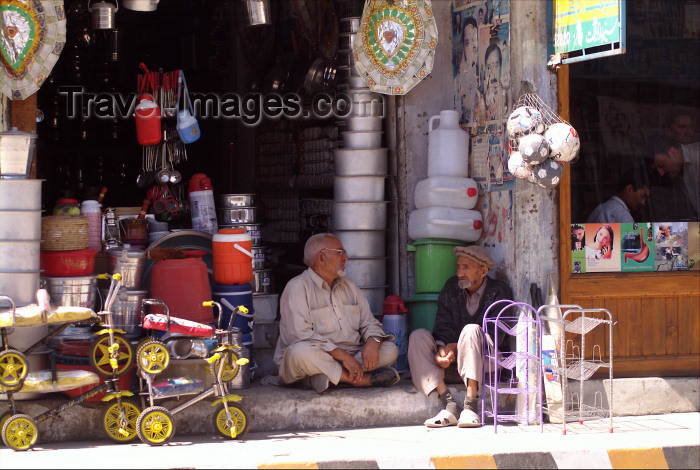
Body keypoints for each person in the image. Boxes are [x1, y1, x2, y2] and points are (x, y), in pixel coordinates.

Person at [273, 233, 400, 394]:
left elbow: (370, 323)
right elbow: (299, 335)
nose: (345, 258)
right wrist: (341, 356)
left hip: (353, 355)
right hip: (319, 354)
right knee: (300, 353)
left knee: (390, 350)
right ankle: (360, 379)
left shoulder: (349, 286)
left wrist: (373, 342)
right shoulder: (297, 287)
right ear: (321, 258)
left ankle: (329, 377)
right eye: (340, 252)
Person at [407, 245, 513, 428]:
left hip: (485, 363)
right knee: (417, 337)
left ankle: (471, 406)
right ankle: (449, 404)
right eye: (458, 267)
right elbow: (442, 323)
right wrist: (442, 349)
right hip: (453, 365)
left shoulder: (499, 291)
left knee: (471, 329)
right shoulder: (451, 287)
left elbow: (498, 335)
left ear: (483, 271)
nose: (459, 273)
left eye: (466, 267)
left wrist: (456, 347)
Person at [646, 133, 699, 221]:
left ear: (674, 153)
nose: (661, 173)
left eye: (661, 165)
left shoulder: (697, 156)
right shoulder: (676, 173)